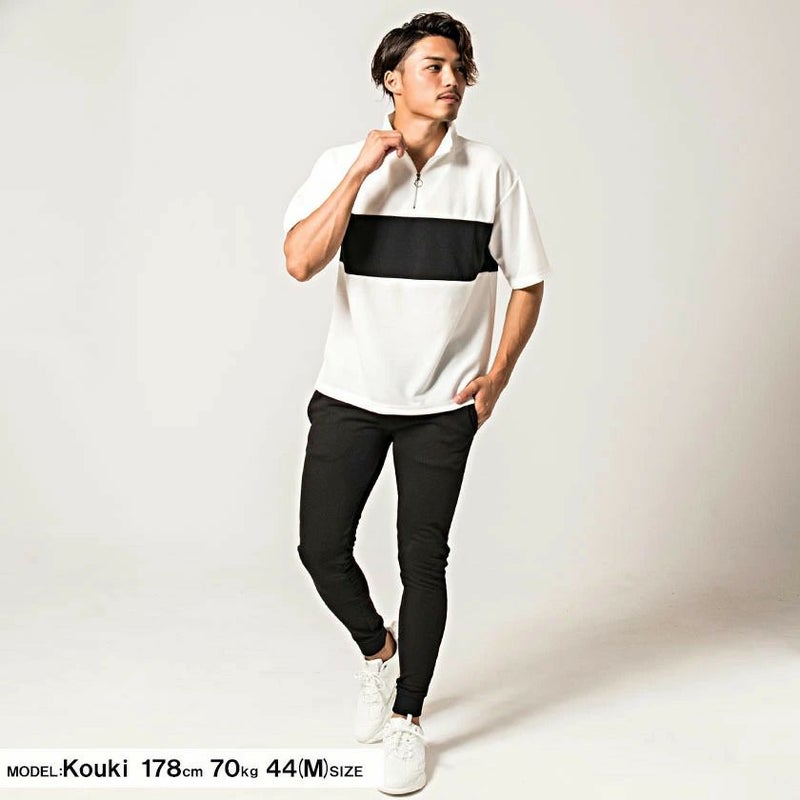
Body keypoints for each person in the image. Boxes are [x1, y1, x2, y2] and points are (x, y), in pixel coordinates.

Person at [282, 11, 553, 795]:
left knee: (422, 559)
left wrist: (497, 375)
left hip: (442, 406)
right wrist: (361, 173)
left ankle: (407, 718)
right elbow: (300, 261)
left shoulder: (490, 171)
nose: (451, 79)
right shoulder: (343, 163)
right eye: (434, 66)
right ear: (391, 79)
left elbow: (529, 280)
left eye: (458, 67)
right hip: (351, 394)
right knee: (320, 548)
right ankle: (378, 652)